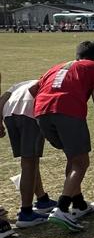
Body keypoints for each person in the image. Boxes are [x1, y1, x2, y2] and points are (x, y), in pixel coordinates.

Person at [33, 41, 94, 232]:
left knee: (72, 157)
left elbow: (33, 89)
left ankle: (79, 204)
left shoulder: (56, 67)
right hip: (67, 111)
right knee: (81, 163)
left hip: (41, 112)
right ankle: (62, 208)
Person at [1, 77, 58, 228]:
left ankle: (42, 199)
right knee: (29, 163)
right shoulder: (47, 82)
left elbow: (3, 99)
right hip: (28, 113)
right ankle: (26, 213)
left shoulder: (21, 84)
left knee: (30, 161)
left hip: (8, 113)